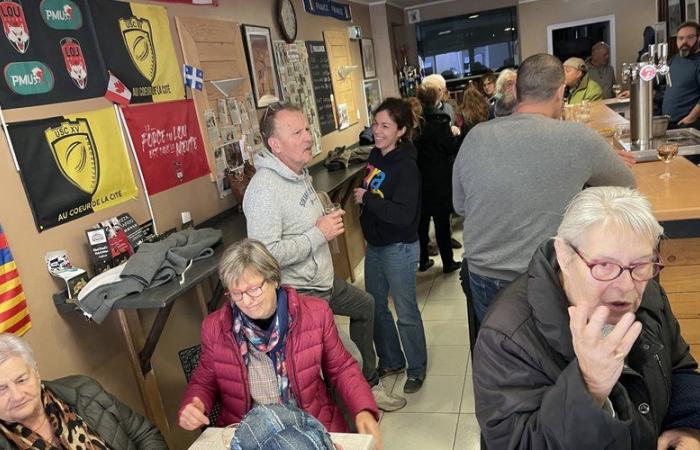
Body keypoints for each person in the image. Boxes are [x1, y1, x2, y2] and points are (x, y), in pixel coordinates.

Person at [473, 186, 700, 450]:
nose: (626, 287)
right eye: (604, 265)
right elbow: (517, 443)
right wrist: (589, 386)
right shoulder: (506, 336)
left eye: (640, 264)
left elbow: (678, 367)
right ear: (565, 255)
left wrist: (687, 428)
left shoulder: (647, 290)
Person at [452, 53, 636, 327]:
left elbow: (460, 206)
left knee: (500, 354)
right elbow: (627, 186)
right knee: (550, 358)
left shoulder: (476, 136)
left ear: (516, 89)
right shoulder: (579, 139)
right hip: (547, 275)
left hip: (483, 274)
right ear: (561, 91)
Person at [243, 103, 406, 411]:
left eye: (307, 129)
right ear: (275, 145)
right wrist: (318, 233)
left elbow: (300, 219)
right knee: (345, 361)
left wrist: (323, 212)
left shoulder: (297, 172)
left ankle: (368, 386)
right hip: (298, 293)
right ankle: (350, 421)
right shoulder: (264, 189)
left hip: (324, 281)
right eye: (297, 132)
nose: (308, 137)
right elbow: (265, 256)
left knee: (366, 306)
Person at [178, 239, 382, 448]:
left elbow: (342, 368)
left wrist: (363, 409)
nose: (247, 301)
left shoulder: (315, 313)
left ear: (274, 280)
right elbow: (203, 382)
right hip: (248, 430)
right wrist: (195, 403)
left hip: (309, 422)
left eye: (254, 289)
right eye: (237, 294)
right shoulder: (215, 327)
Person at [353, 98, 428, 394]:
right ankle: (392, 359)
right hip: (375, 247)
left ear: (401, 130)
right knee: (376, 306)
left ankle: (417, 367)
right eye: (375, 124)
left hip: (399, 248)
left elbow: (403, 215)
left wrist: (367, 199)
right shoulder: (375, 154)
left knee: (406, 312)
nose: (378, 131)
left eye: (386, 126)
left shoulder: (406, 166)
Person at [0, 333, 167, 450]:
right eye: (2, 389)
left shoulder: (83, 390)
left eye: (21, 380)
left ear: (36, 373)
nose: (17, 395)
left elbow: (144, 434)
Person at [414, 84, 462, 274]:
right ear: (436, 98)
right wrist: (454, 135)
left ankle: (423, 259)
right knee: (442, 223)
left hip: (420, 179)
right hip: (440, 179)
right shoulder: (441, 121)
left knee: (422, 224)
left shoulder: (416, 122)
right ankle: (448, 262)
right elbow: (450, 148)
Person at [662, 22, 700, 129]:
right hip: (669, 123)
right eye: (681, 38)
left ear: (698, 38)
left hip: (688, 125)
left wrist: (691, 118)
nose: (684, 42)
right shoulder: (674, 59)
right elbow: (658, 80)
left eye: (690, 37)